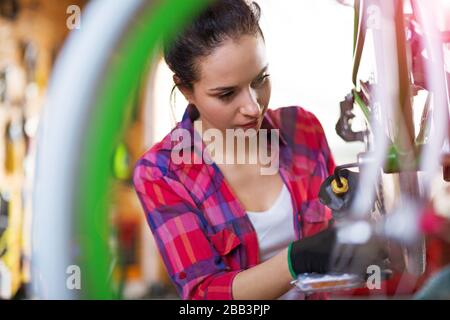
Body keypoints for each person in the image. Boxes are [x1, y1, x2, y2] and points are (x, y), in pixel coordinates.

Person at [133, 0, 385, 300]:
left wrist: (353, 212)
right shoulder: (161, 172)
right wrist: (295, 261)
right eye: (226, 94)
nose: (253, 108)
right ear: (187, 89)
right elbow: (203, 295)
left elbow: (341, 246)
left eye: (260, 80)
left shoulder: (302, 128)